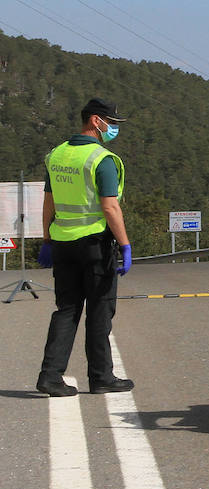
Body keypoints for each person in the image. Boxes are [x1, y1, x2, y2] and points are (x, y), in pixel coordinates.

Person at [35, 98, 135, 397]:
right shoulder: (101, 159)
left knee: (66, 309)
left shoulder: (56, 155)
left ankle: (50, 377)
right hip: (95, 245)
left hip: (64, 243)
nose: (113, 128)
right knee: (100, 311)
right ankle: (102, 377)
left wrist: (47, 240)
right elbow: (110, 207)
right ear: (95, 121)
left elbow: (49, 201)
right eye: (111, 122)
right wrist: (126, 245)